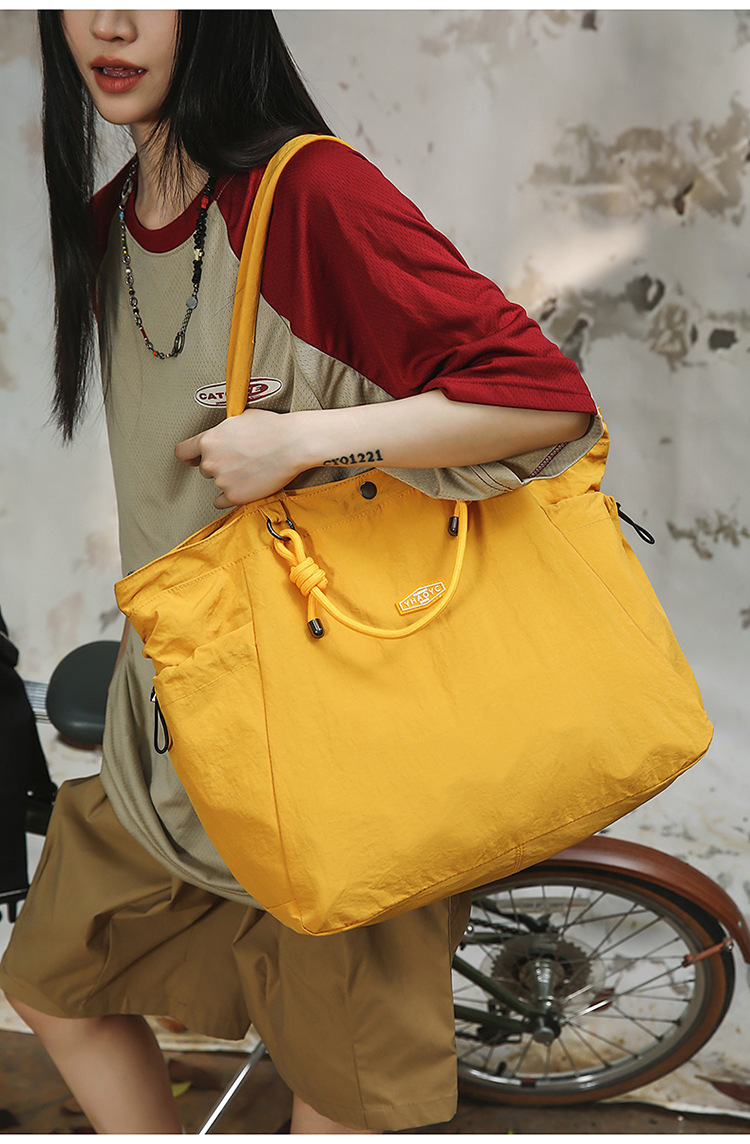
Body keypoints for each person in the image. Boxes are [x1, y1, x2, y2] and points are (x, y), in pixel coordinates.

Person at [0, 10, 600, 1135]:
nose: (111, 23)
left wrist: (308, 441)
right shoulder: (111, 218)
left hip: (338, 757)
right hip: (174, 738)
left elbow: (544, 400)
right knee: (52, 984)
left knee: (339, 1100)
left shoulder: (310, 199)